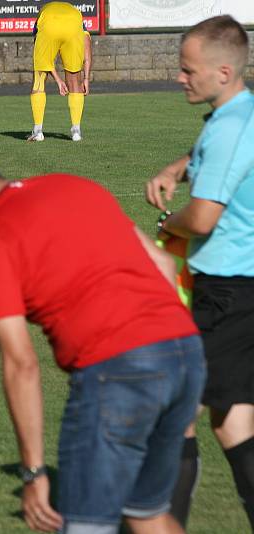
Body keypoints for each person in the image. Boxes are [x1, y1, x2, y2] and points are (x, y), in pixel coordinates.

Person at [0, 153, 204, 534]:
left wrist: (34, 471)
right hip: (184, 352)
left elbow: (21, 364)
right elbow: (164, 265)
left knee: (87, 525)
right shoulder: (72, 185)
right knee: (146, 514)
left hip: (115, 369)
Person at [146, 15, 254, 530]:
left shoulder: (230, 126)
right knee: (232, 422)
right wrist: (177, 166)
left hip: (228, 293)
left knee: (177, 414)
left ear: (224, 71)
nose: (179, 77)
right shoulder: (240, 113)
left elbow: (205, 215)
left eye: (188, 70)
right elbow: (215, 152)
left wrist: (170, 227)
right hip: (240, 289)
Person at [27, 1, 92, 142]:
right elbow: (87, 50)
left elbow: (43, 61)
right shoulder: (78, 18)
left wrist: (58, 80)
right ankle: (76, 131)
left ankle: (38, 131)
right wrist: (86, 78)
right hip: (73, 22)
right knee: (75, 78)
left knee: (39, 77)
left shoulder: (43, 14)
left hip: (49, 21)